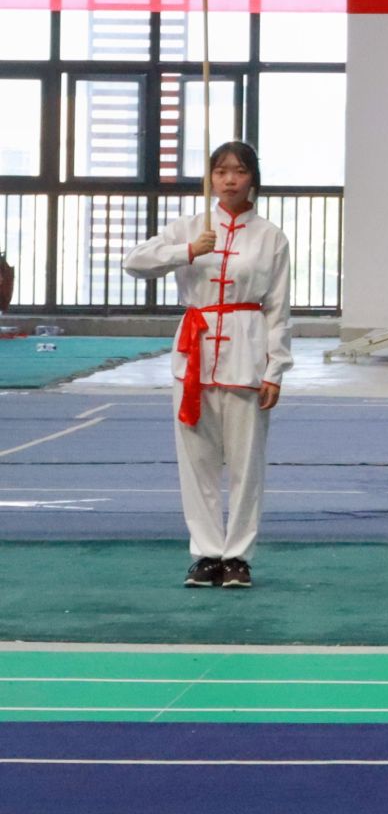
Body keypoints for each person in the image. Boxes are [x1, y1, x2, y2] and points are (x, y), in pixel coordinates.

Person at [122, 141, 292, 589]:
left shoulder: (271, 236)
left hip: (247, 354)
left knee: (246, 464)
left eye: (239, 171)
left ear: (253, 177)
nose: (229, 180)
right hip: (194, 356)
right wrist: (188, 250)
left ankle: (238, 556)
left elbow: (278, 309)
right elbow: (134, 263)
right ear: (210, 178)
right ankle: (206, 553)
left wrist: (275, 369)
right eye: (220, 171)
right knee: (196, 462)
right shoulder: (188, 227)